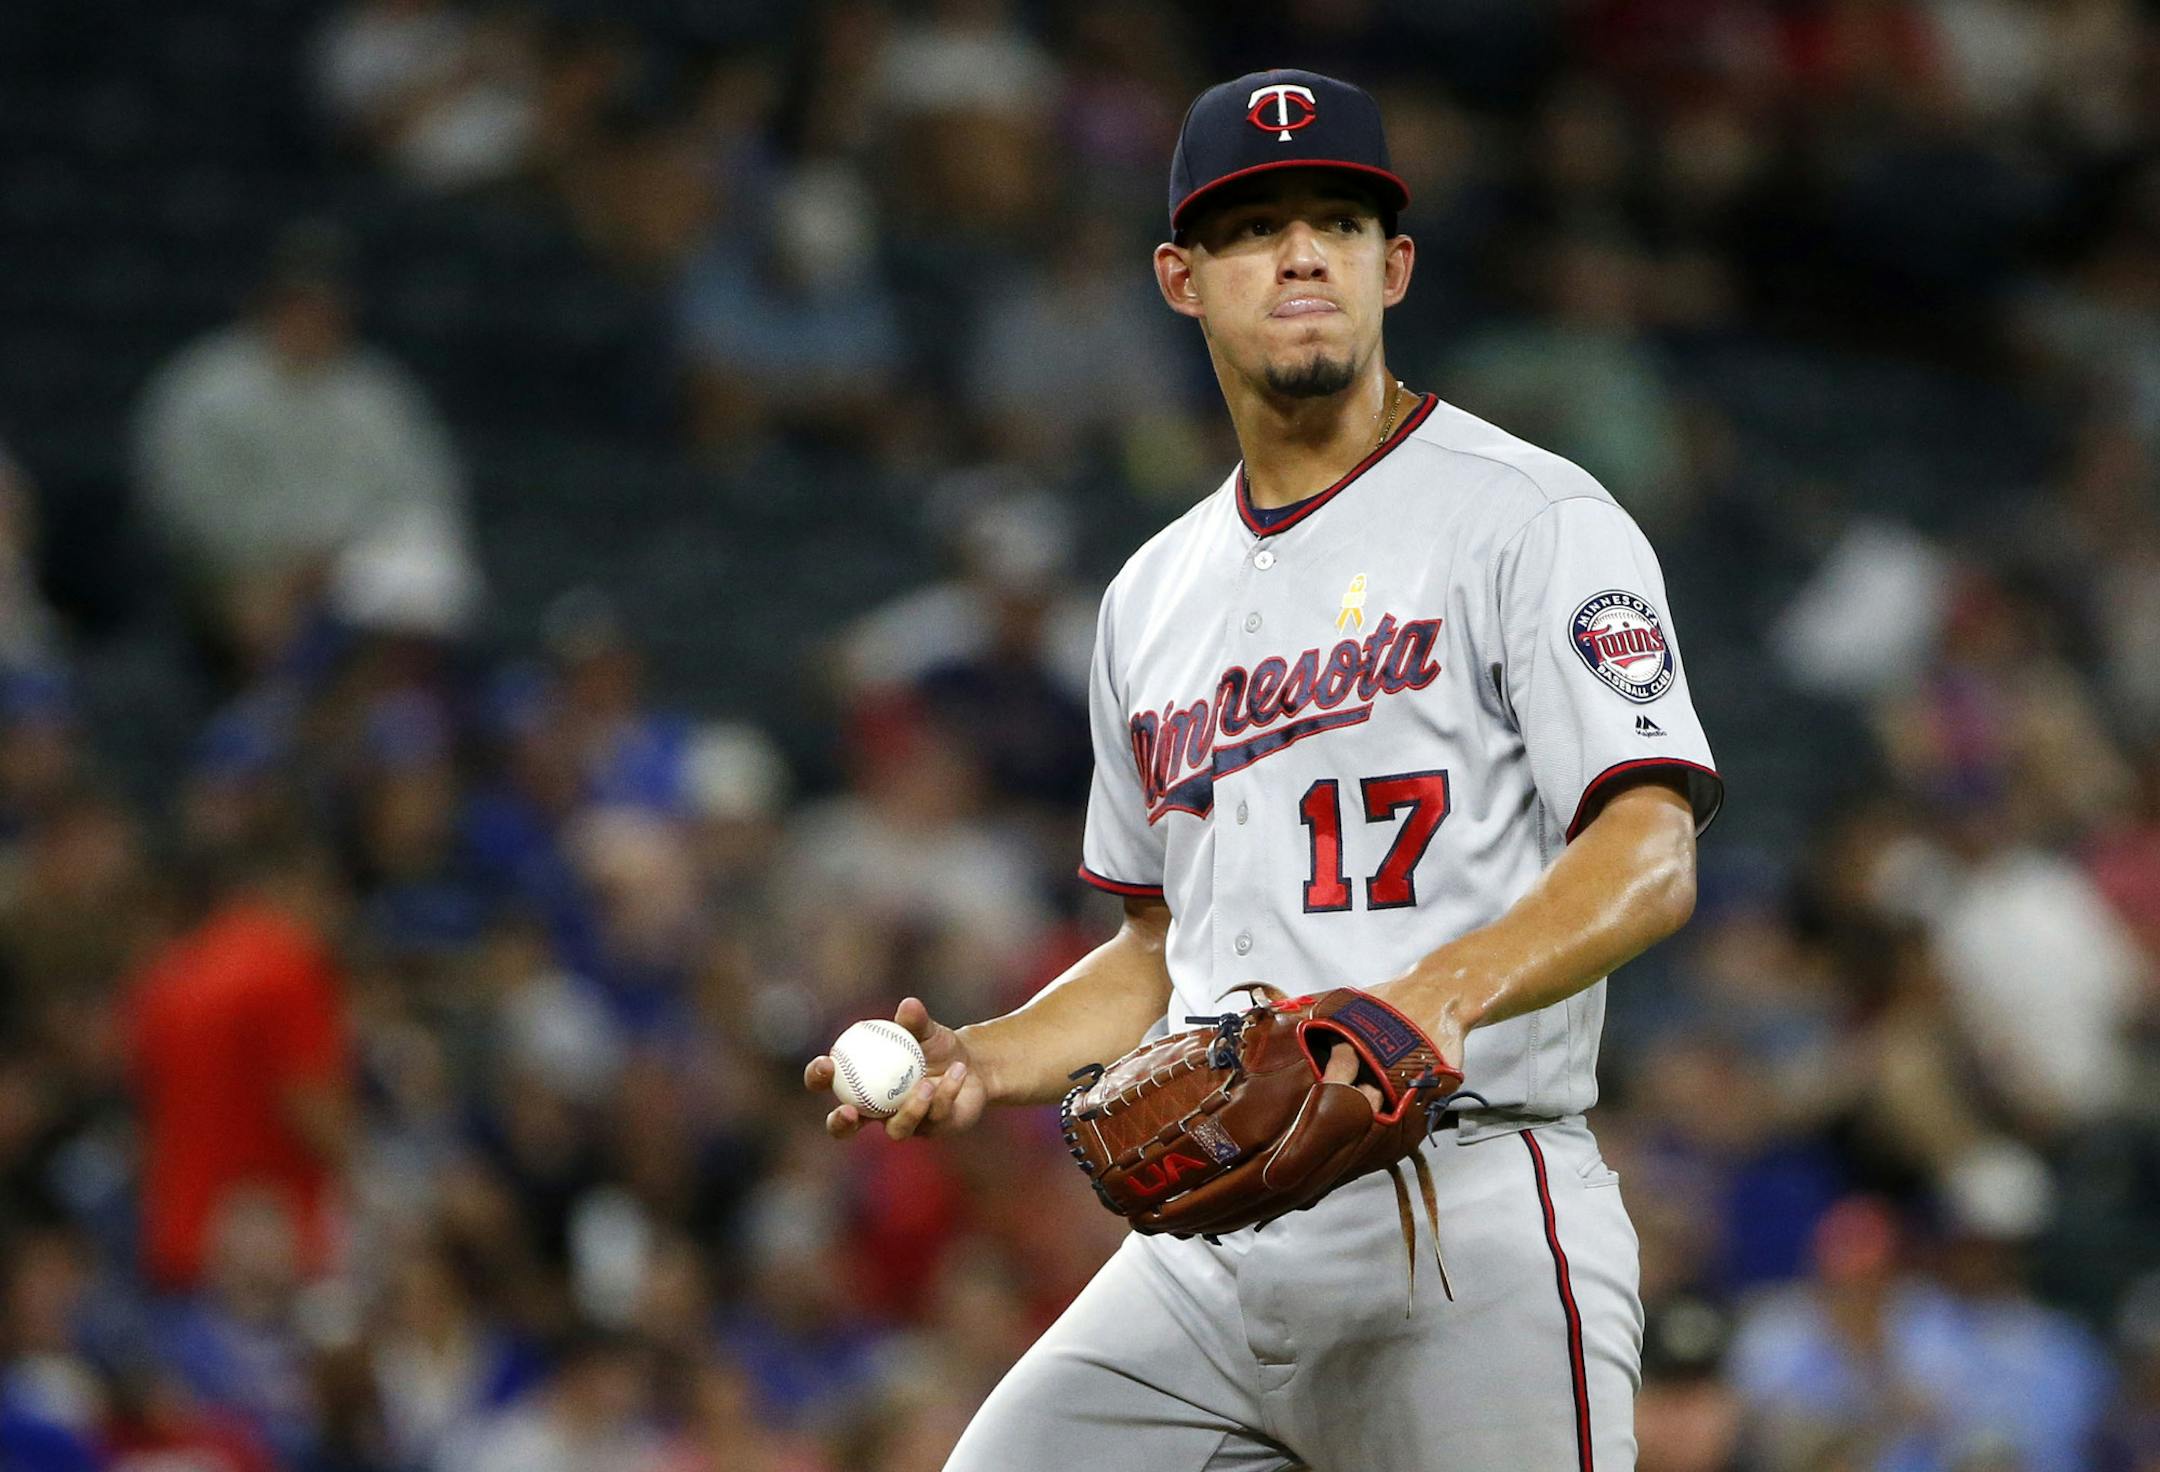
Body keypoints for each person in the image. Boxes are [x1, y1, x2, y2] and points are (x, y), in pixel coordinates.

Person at [806, 69, 1723, 1470]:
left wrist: (1436, 992)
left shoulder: (1530, 517)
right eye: (1254, 228)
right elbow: (1154, 952)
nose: (1301, 254)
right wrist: (979, 1062)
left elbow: (1650, 846)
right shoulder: (1147, 596)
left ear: (1393, 265)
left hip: (1462, 1204)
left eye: (1337, 223)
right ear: (1181, 279)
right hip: (1214, 1240)